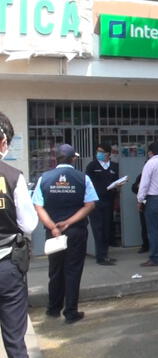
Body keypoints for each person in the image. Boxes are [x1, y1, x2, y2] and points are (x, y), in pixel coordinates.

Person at [33, 144, 99, 324]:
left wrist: (53, 227)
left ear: (56, 159)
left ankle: (53, 309)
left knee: (55, 271)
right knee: (73, 271)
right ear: (73, 159)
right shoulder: (82, 178)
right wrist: (69, 222)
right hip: (75, 232)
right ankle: (70, 312)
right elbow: (90, 204)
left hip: (53, 234)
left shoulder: (44, 178)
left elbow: (38, 206)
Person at [0, 111, 38, 357]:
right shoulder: (12, 176)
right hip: (6, 266)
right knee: (15, 340)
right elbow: (28, 224)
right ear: (3, 142)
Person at [85, 143, 120, 265]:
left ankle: (105, 254)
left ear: (108, 154)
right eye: (97, 151)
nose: (98, 153)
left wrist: (117, 186)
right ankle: (100, 256)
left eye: (101, 151)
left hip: (109, 201)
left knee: (106, 228)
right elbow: (87, 184)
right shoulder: (92, 166)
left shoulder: (114, 166)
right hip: (96, 203)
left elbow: (116, 181)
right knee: (98, 229)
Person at [132, 173, 149, 254]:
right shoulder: (142, 175)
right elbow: (134, 188)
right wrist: (138, 186)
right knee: (144, 226)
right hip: (144, 203)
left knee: (156, 227)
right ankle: (145, 245)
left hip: (154, 201)